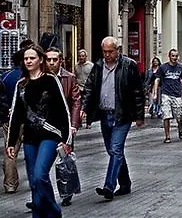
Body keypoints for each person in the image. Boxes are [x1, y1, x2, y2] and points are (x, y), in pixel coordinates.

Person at [6, 45, 72, 217]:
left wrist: (67, 139)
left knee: (39, 175)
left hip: (50, 136)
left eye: (32, 58)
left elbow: (63, 110)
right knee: (34, 182)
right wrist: (11, 142)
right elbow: (16, 115)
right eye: (26, 58)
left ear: (40, 60)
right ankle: (38, 215)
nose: (28, 61)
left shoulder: (50, 80)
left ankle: (54, 212)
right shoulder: (21, 84)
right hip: (30, 138)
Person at [82, 37, 145, 201]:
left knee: (116, 149)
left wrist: (139, 116)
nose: (107, 55)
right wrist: (85, 109)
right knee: (113, 151)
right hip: (105, 114)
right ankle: (125, 183)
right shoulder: (98, 66)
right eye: (105, 52)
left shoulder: (128, 65)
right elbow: (89, 88)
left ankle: (109, 186)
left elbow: (138, 92)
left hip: (122, 114)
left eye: (110, 51)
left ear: (118, 50)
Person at [44, 47, 82, 207]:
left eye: (55, 59)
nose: (51, 62)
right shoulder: (40, 77)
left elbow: (75, 101)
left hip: (64, 126)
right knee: (41, 165)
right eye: (49, 59)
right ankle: (38, 195)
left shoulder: (69, 78)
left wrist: (73, 125)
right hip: (44, 127)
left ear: (60, 61)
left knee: (65, 162)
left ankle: (66, 193)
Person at [1, 44, 29, 194]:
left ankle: (10, 184)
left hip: (9, 119)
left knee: (10, 151)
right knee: (31, 151)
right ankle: (34, 179)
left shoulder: (4, 76)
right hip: (28, 119)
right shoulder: (29, 76)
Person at [152, 49, 182, 143]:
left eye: (176, 56)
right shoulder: (163, 67)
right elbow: (157, 80)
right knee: (166, 116)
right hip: (166, 94)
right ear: (169, 56)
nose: (174, 58)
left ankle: (180, 128)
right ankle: (167, 136)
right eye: (173, 56)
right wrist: (155, 94)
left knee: (179, 116)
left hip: (177, 95)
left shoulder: (181, 67)